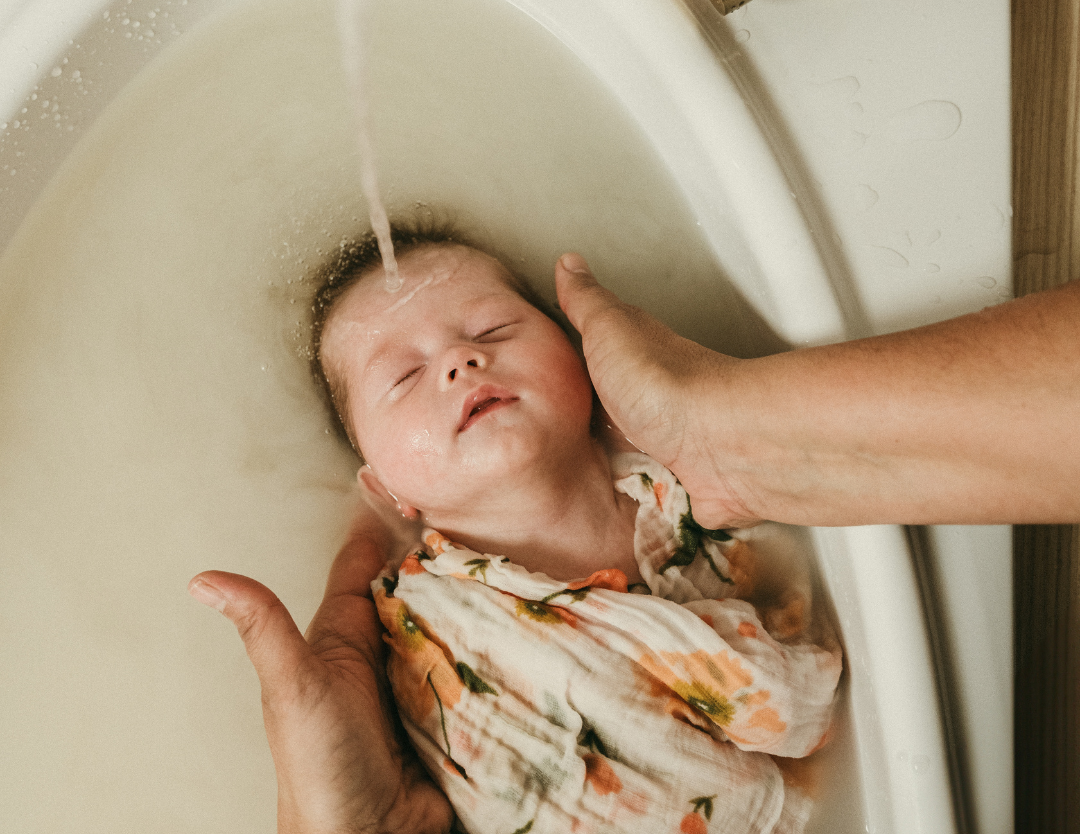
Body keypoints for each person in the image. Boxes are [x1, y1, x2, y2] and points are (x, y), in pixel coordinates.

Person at [189, 247, 1080, 833]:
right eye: (404, 377)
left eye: (494, 330)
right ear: (389, 491)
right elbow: (786, 703)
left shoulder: (691, 503)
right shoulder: (417, 617)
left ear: (585, 357)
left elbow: (804, 703)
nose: (460, 363)